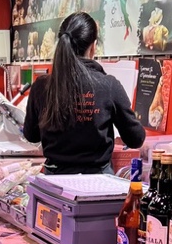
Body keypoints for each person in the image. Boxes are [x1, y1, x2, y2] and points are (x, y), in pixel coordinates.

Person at [23, 12, 145, 174]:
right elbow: (136, 139)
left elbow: (31, 135)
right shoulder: (108, 85)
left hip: (54, 182)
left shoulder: (42, 85)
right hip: (97, 184)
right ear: (93, 46)